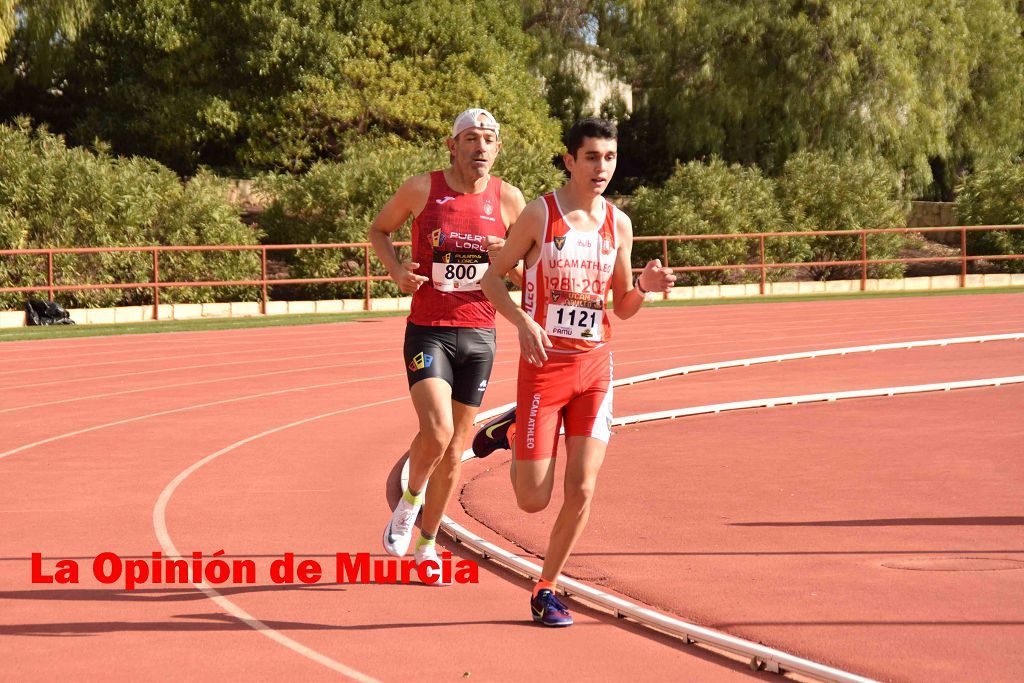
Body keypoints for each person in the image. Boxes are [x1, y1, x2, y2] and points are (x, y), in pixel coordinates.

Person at [473, 117, 675, 624]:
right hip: (544, 369)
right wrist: (521, 322)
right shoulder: (541, 215)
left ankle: (546, 588)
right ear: (570, 160)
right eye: (591, 157)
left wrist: (646, 286)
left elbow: (622, 306)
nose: (601, 167)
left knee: (583, 488)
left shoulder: (618, 224)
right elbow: (492, 281)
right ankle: (516, 426)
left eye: (609, 158)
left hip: (595, 370)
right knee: (531, 501)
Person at [369, 108, 526, 584]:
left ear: (499, 148)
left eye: (490, 140)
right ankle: (409, 501)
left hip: (480, 333)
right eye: (472, 139)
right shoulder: (422, 188)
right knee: (435, 432)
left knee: (456, 447)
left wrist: (508, 262)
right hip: (429, 328)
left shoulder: (510, 199)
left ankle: (427, 544)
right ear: (452, 145)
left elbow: (524, 274)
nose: (481, 148)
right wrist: (396, 270)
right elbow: (380, 230)